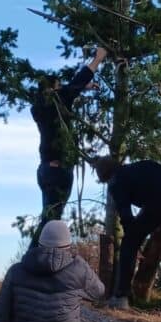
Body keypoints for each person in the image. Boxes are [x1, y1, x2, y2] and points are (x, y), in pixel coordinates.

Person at [93, 157, 161, 322]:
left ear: (105, 176)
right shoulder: (137, 168)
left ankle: (121, 297)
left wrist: (133, 243)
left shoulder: (116, 181)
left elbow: (126, 217)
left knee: (129, 242)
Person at [30, 47, 107, 234]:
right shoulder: (57, 100)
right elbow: (76, 82)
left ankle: (40, 250)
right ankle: (37, 252)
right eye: (58, 85)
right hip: (58, 169)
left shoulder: (38, 107)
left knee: (50, 218)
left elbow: (70, 88)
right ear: (52, 89)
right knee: (50, 221)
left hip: (45, 169)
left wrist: (82, 88)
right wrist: (98, 59)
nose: (61, 88)